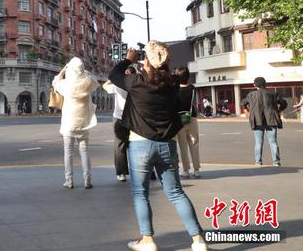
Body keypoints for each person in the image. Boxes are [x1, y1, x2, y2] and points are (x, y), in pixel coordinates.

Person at [109, 41, 207, 251]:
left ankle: (148, 240)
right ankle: (198, 240)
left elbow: (113, 75)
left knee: (140, 193)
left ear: (147, 61)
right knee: (176, 193)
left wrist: (129, 58)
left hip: (139, 145)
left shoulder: (136, 81)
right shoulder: (173, 83)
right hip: (166, 145)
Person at [53, 57, 99, 189]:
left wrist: (64, 69)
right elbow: (93, 77)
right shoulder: (88, 81)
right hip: (84, 122)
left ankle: (69, 180)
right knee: (84, 151)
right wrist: (83, 71)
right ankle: (87, 179)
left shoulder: (66, 85)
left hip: (69, 123)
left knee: (68, 152)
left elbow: (56, 81)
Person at [241, 77, 287, 166]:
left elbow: (243, 104)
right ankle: (276, 162)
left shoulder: (251, 95)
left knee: (258, 142)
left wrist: (249, 113)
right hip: (271, 120)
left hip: (257, 120)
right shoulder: (273, 93)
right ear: (265, 84)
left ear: (254, 85)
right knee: (273, 142)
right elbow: (284, 103)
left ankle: (258, 162)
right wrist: (279, 111)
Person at [103, 66, 136, 182]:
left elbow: (105, 86)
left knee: (119, 145)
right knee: (138, 144)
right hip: (134, 118)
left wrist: (112, 79)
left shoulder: (118, 86)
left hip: (119, 118)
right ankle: (147, 171)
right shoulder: (137, 86)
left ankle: (121, 173)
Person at [174, 67, 201, 179]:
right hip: (191, 117)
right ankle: (197, 170)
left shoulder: (174, 89)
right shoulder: (193, 88)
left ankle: (185, 170)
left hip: (179, 119)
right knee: (194, 143)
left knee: (183, 146)